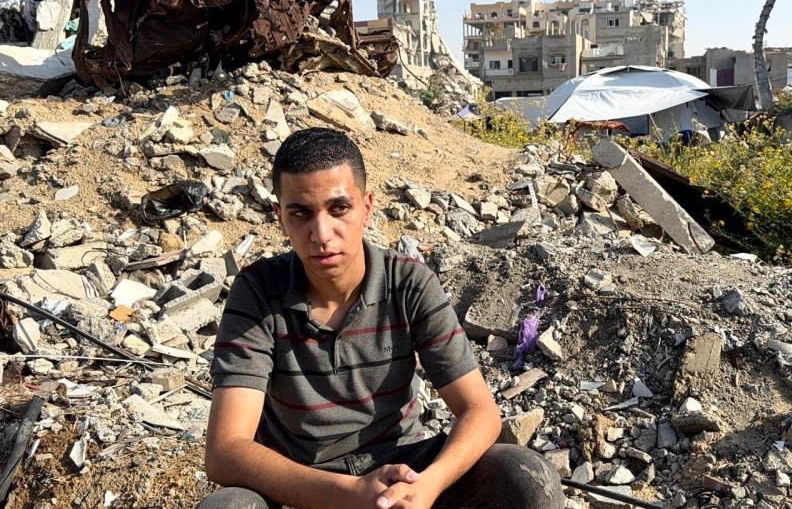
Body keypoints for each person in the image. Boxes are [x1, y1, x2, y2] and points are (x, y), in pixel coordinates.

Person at [198, 128, 564, 509]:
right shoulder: (258, 292)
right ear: (279, 217)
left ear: (367, 207)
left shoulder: (408, 283)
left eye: (339, 209)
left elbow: (481, 412)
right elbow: (225, 450)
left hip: (402, 472)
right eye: (301, 213)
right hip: (304, 484)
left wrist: (427, 486)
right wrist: (350, 493)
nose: (321, 234)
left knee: (527, 478)